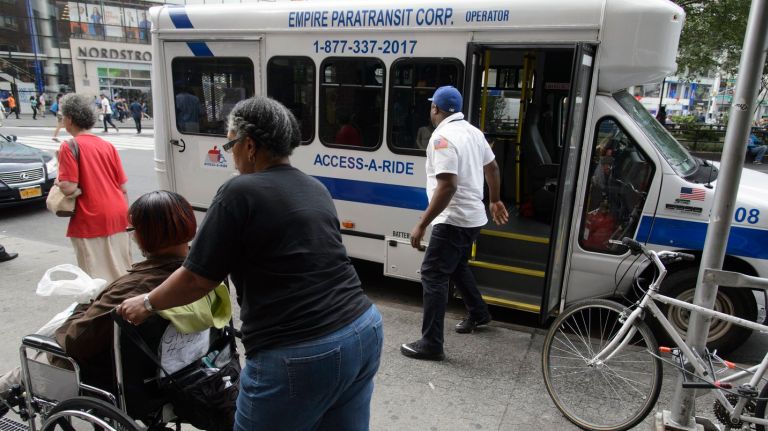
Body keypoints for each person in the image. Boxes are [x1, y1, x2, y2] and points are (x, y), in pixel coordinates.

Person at [118, 96, 383, 430]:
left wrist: (146, 302)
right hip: (363, 329)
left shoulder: (239, 191)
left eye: (231, 145)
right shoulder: (314, 186)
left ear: (251, 145)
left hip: (299, 349)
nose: (231, 154)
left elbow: (197, 279)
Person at [0, 191, 213, 419]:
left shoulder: (134, 290)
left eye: (132, 231)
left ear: (144, 236)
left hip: (113, 377)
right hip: (179, 369)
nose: (131, 236)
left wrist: (82, 309)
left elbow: (74, 342)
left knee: (26, 363)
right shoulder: (202, 276)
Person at [401, 86, 508, 361]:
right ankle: (479, 312)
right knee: (457, 265)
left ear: (435, 109)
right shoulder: (473, 132)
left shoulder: (442, 138)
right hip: (473, 218)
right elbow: (492, 168)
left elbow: (447, 186)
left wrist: (423, 223)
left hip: (454, 219)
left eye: (431, 107)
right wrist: (494, 200)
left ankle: (431, 343)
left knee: (433, 274)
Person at [57, 94, 130, 283]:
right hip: (118, 213)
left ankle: (104, 310)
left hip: (90, 216)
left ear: (70, 119)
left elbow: (68, 187)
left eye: (62, 116)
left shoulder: (69, 146)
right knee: (122, 270)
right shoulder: (107, 146)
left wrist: (58, 181)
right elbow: (122, 186)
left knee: (96, 276)